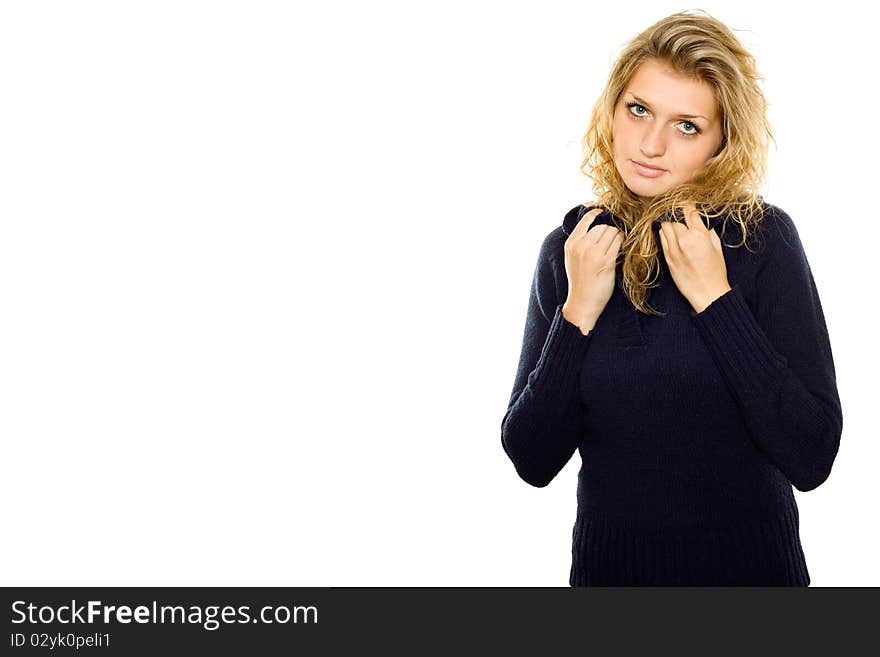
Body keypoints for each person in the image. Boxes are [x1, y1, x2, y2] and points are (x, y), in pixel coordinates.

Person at [500, 10, 842, 586]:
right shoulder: (573, 247)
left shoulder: (762, 238)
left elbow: (811, 456)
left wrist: (717, 301)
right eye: (638, 110)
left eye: (687, 126)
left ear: (720, 142)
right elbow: (531, 460)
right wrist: (578, 312)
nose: (652, 144)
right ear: (612, 109)